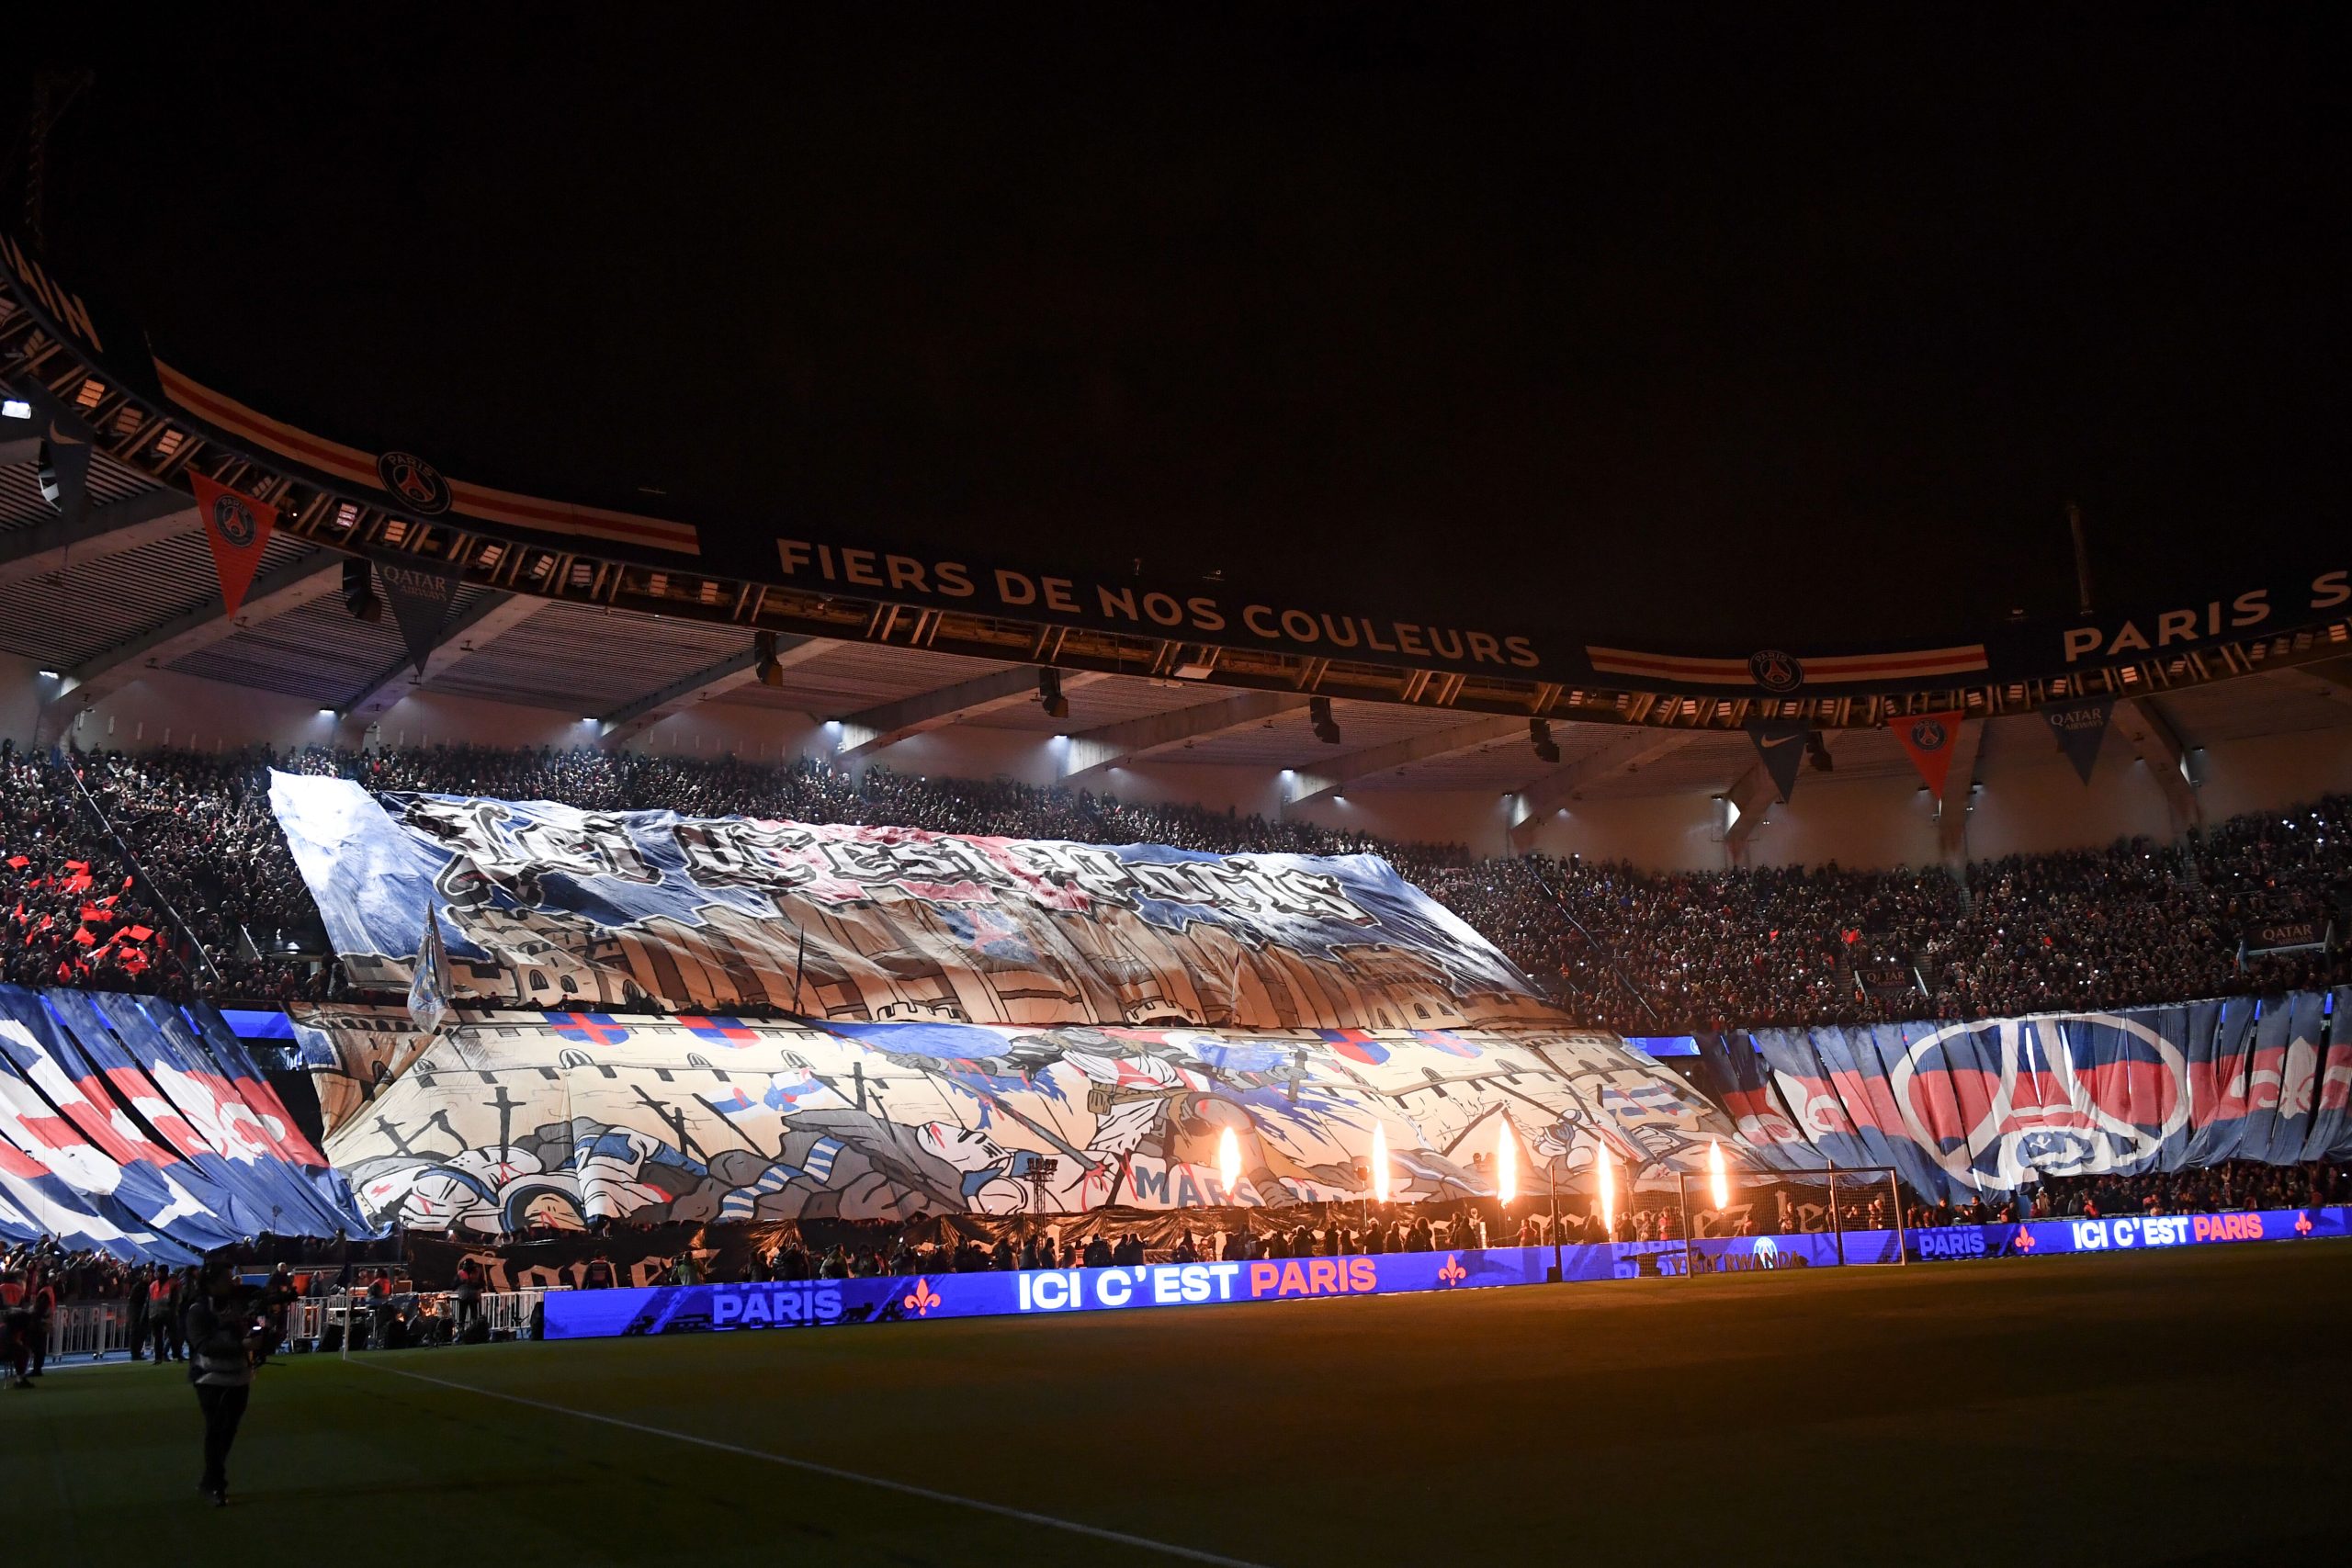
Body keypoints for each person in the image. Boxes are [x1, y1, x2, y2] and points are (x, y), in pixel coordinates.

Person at [187, 1261, 264, 1506]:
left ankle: (211, 1481)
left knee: (228, 1431)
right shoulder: (198, 1310)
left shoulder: (235, 1305)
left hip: (239, 1376)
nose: (231, 1283)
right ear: (211, 1284)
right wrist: (241, 1346)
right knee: (217, 1429)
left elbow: (252, 1316)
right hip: (210, 1378)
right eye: (226, 1279)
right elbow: (204, 1345)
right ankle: (215, 1485)